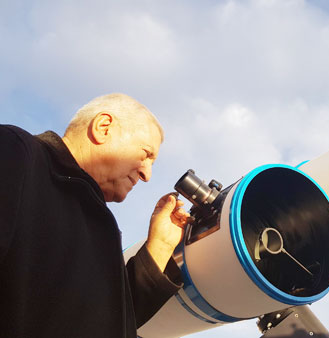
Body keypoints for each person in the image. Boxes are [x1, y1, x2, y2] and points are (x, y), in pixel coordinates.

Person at [0, 93, 190, 337]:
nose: (147, 175)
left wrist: (161, 245)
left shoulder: (99, 223)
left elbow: (107, 319)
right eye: (145, 154)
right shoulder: (15, 151)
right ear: (103, 127)